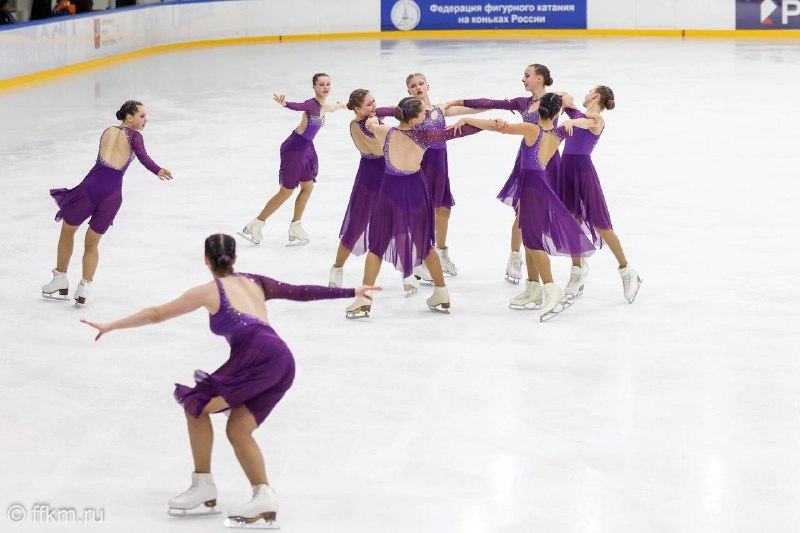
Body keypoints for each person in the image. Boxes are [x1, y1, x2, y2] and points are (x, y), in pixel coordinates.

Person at [81, 234, 380, 526]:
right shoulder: (256, 282)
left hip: (257, 355)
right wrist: (351, 291)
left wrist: (112, 325)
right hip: (282, 360)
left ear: (206, 260)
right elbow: (300, 291)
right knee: (238, 429)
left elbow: (159, 313)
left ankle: (203, 486)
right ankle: (263, 495)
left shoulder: (209, 291)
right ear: (235, 259)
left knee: (195, 405)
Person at [451, 93, 596, 321]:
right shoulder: (558, 132)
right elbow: (584, 120)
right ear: (557, 113)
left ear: (539, 111)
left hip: (532, 188)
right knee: (530, 240)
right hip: (539, 185)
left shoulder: (533, 130)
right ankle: (534, 288)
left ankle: (551, 289)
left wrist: (469, 120)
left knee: (532, 242)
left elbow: (500, 127)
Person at [345, 97, 482, 318]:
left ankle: (364, 298)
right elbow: (462, 131)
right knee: (425, 245)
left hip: (390, 190)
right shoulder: (425, 136)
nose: (426, 116)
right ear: (415, 117)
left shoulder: (385, 132)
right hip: (415, 190)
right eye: (423, 113)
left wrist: (369, 117)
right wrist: (487, 124)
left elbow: (370, 124)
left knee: (377, 246)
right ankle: (442, 292)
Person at [42, 100, 172, 306]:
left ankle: (60, 278)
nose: (146, 120)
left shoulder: (107, 131)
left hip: (89, 189)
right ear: (129, 117)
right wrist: (158, 170)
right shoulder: (135, 136)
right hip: (112, 195)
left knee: (68, 231)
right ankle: (84, 286)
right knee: (92, 243)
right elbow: (143, 156)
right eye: (142, 116)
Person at [448, 63, 559, 284]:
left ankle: (573, 265)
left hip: (550, 160)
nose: (523, 79)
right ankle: (516, 256)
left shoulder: (555, 100)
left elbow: (573, 107)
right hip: (527, 160)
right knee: (522, 211)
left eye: (527, 75)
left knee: (553, 212)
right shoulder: (522, 103)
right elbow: (491, 103)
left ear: (540, 78)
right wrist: (459, 103)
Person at [376, 73, 483, 280]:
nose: (418, 88)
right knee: (420, 211)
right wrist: (371, 117)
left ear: (427, 86)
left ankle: (441, 253)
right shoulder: (410, 112)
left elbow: (471, 109)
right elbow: (378, 113)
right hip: (420, 165)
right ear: (408, 91)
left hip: (440, 165)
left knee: (443, 209)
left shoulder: (440, 109)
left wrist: (497, 107)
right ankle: (418, 258)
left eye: (420, 84)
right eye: (413, 86)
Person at [327, 89, 420, 296]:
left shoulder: (370, 118)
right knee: (356, 226)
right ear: (357, 108)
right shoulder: (366, 126)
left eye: (374, 101)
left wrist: (406, 109)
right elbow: (381, 130)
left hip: (386, 175)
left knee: (400, 224)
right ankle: (337, 268)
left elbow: (388, 110)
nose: (374, 106)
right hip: (370, 179)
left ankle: (407, 274)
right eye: (369, 104)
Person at [238, 73, 346, 247]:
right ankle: (256, 224)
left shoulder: (322, 105)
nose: (325, 87)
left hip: (306, 149)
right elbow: (299, 106)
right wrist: (285, 104)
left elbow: (330, 108)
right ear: (314, 87)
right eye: (321, 84)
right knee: (285, 192)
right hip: (294, 149)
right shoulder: (311, 105)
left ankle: (295, 226)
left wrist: (343, 105)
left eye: (328, 84)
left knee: (307, 187)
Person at [558, 86, 642, 302]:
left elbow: (589, 123)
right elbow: (562, 100)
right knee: (571, 221)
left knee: (601, 225)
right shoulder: (578, 114)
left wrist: (572, 121)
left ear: (595, 96)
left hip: (583, 172)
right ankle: (577, 272)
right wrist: (564, 97)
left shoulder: (596, 119)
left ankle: (627, 271)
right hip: (565, 169)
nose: (585, 95)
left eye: (589, 92)